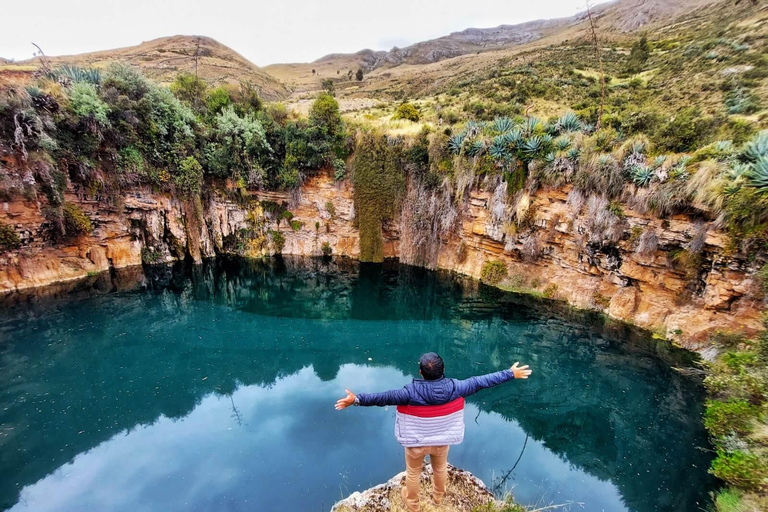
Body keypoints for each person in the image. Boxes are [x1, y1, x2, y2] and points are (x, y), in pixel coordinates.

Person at [335, 352, 532, 512]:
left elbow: (382, 398)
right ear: (443, 370)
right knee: (440, 468)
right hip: (441, 441)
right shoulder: (457, 387)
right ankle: (438, 498)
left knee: (413, 473)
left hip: (416, 442)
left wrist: (356, 400)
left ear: (420, 372)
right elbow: (482, 381)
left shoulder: (409, 393)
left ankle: (413, 504)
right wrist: (510, 373)